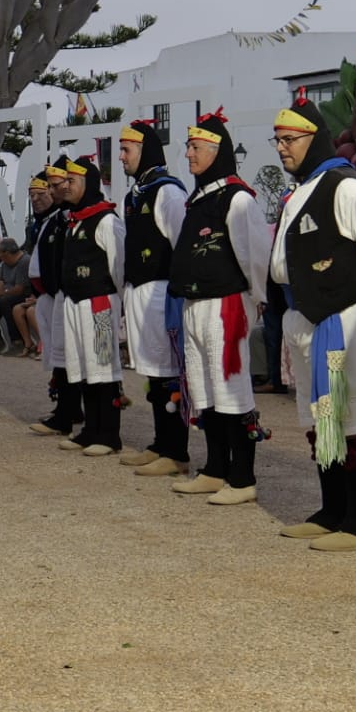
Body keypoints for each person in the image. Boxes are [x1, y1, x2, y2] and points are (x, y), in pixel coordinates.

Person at [267, 96, 356, 551]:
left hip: (343, 317)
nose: (281, 148)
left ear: (314, 139)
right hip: (302, 315)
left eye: (290, 140)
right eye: (278, 140)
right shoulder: (297, 192)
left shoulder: (349, 189)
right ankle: (332, 510)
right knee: (318, 419)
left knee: (348, 417)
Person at [168, 110, 270, 506]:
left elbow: (254, 255)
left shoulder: (238, 197)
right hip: (195, 304)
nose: (189, 154)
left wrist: (253, 300)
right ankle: (214, 469)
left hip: (226, 304)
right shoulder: (198, 199)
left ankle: (242, 477)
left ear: (216, 150)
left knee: (231, 388)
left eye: (195, 147)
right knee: (204, 386)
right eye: (188, 147)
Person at [115, 121, 190, 476]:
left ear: (145, 150)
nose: (121, 157)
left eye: (126, 149)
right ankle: (161, 443)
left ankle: (176, 452)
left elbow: (182, 243)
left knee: (168, 372)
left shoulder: (167, 192)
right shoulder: (136, 193)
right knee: (151, 372)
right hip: (140, 291)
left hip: (161, 290)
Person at [51, 158, 128, 456]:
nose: (66, 186)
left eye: (72, 181)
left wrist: (116, 304)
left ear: (89, 184)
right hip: (74, 303)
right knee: (83, 367)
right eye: (65, 181)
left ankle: (109, 434)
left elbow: (118, 267)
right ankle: (90, 430)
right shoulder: (76, 220)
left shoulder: (107, 220)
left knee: (104, 368)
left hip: (99, 304)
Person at [28, 158, 85, 436]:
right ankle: (67, 409)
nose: (40, 198)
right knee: (58, 354)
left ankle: (69, 412)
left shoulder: (65, 218)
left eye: (46, 191)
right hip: (50, 296)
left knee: (67, 355)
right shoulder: (47, 222)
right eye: (35, 194)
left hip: (64, 295)